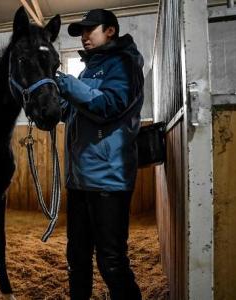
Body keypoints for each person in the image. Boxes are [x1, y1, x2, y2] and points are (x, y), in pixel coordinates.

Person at [55, 9, 144, 300]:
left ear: (110, 31)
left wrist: (68, 85)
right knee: (77, 258)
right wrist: (53, 105)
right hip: (79, 178)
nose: (84, 36)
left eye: (90, 29)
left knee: (111, 261)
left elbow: (110, 105)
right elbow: (75, 111)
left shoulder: (124, 63)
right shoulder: (88, 70)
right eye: (82, 31)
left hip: (109, 179)